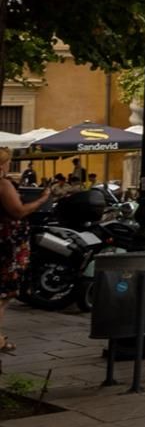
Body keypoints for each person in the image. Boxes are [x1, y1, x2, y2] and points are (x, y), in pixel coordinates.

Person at [0, 146, 52, 353]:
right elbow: (18, 211)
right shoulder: (3, 184)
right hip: (7, 242)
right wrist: (42, 198)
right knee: (4, 294)